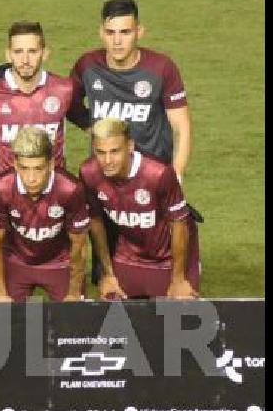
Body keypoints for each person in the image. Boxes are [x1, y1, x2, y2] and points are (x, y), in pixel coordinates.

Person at [70, 0, 199, 287]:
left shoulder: (161, 68)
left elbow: (182, 127)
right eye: (111, 32)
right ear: (101, 32)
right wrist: (91, 125)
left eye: (125, 32)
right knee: (108, 270)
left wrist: (176, 173)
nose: (117, 41)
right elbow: (70, 104)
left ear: (139, 32)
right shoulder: (87, 66)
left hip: (152, 184)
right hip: (107, 180)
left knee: (160, 267)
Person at [78, 118, 200, 299]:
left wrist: (178, 279)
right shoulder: (89, 173)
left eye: (115, 151)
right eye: (100, 152)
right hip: (129, 253)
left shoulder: (158, 173)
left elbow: (179, 223)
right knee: (115, 315)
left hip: (168, 257)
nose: (107, 161)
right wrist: (107, 273)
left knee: (176, 318)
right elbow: (95, 221)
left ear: (130, 146)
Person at [0, 127, 92, 302]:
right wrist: (0, 293)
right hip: (17, 260)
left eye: (38, 168)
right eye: (24, 168)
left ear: (51, 164)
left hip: (59, 262)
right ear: (16, 164)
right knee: (5, 323)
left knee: (73, 322)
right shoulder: (0, 187)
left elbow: (79, 245)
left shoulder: (70, 189)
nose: (31, 178)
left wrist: (73, 292)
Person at [0, 21, 89, 182]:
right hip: (5, 191)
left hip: (54, 192)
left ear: (44, 53)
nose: (25, 60)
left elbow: (89, 125)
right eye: (18, 52)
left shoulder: (64, 89)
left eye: (32, 51)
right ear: (8, 54)